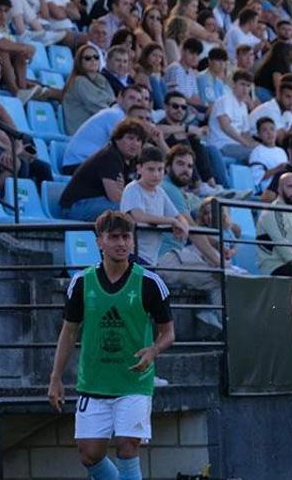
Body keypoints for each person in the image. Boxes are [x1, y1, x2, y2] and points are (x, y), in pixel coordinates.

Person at [47, 211, 175, 480]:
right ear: (99, 242)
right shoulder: (82, 282)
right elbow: (69, 332)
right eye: (114, 237)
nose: (121, 243)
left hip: (133, 382)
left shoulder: (150, 282)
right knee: (89, 454)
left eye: (126, 237)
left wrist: (153, 350)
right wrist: (56, 377)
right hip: (94, 382)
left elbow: (168, 333)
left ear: (133, 241)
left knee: (128, 446)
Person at [60, 119, 147, 221]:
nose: (134, 144)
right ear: (117, 139)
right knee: (127, 210)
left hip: (100, 203)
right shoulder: (109, 156)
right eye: (130, 138)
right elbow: (114, 197)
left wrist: (124, 191)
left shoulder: (133, 160)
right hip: (76, 207)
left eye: (138, 140)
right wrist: (126, 193)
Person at [120, 146, 190, 265]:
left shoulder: (160, 192)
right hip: (133, 255)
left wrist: (184, 226)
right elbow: (139, 216)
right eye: (151, 169)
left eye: (160, 169)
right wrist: (172, 221)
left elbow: (178, 216)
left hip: (152, 258)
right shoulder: (132, 189)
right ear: (139, 169)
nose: (156, 174)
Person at [256, 172, 292, 276]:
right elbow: (285, 250)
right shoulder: (272, 212)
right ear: (279, 189)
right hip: (275, 267)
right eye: (290, 187)